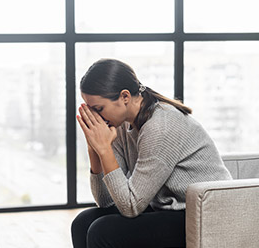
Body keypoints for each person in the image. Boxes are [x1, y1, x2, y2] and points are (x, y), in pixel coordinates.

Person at [71, 58, 232, 248]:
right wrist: (94, 149)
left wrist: (105, 149)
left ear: (124, 97)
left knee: (103, 231)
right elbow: (106, 201)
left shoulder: (161, 126)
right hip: (166, 209)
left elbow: (130, 207)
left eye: (98, 109)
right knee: (82, 222)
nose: (96, 117)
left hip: (203, 215)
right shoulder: (120, 125)